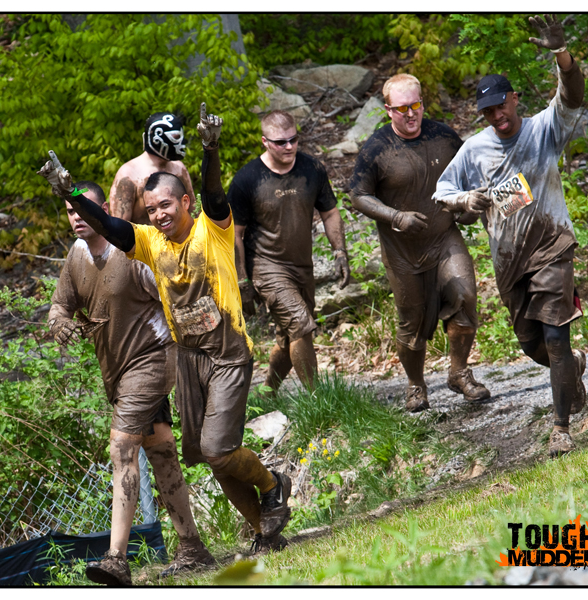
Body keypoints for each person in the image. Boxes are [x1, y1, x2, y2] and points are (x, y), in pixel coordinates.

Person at [38, 102, 293, 556]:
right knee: (211, 458)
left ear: (185, 202)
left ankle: (274, 484)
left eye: (166, 205)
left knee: (217, 449)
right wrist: (71, 192)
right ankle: (265, 531)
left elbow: (215, 193)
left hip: (227, 353)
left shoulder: (212, 229)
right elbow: (108, 225)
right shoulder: (149, 241)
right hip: (189, 360)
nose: (158, 214)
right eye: (151, 208)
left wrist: (210, 150)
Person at [45, 182, 215, 585]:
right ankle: (192, 547)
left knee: (122, 448)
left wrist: (203, 349)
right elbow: (59, 306)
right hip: (118, 372)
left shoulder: (131, 252)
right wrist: (60, 324)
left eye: (82, 209)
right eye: (69, 211)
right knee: (161, 451)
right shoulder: (77, 255)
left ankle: (116, 560)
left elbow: (177, 295)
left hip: (153, 359)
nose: (76, 217)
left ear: (103, 209)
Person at [433, 14, 587, 457]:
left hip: (552, 246)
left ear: (515, 99)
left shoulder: (543, 129)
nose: (497, 115)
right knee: (533, 345)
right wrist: (466, 200)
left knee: (556, 337)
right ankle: (573, 369)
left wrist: (561, 54)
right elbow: (442, 192)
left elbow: (572, 95)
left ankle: (560, 428)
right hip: (509, 262)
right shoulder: (475, 149)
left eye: (501, 105)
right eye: (488, 111)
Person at [349, 74, 490, 412]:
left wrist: (468, 207)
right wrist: (396, 217)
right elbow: (358, 196)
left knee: (465, 297)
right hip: (402, 250)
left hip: (444, 236)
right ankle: (416, 385)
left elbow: (469, 177)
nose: (410, 114)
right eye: (402, 108)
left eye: (416, 105)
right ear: (388, 110)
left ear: (423, 103)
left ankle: (459, 372)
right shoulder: (376, 148)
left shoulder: (444, 137)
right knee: (411, 322)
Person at [228, 110, 350, 393]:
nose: (289, 146)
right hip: (266, 265)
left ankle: (269, 392)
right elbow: (234, 233)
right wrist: (242, 281)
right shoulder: (247, 179)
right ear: (265, 142)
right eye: (280, 142)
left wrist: (340, 253)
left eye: (293, 139)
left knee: (290, 337)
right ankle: (319, 400)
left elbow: (330, 213)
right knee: (301, 324)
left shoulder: (312, 169)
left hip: (301, 265)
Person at [109, 111, 196, 225]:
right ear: (157, 138)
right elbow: (119, 226)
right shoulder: (129, 174)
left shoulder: (179, 168)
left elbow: (194, 212)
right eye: (176, 137)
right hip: (144, 236)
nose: (182, 142)